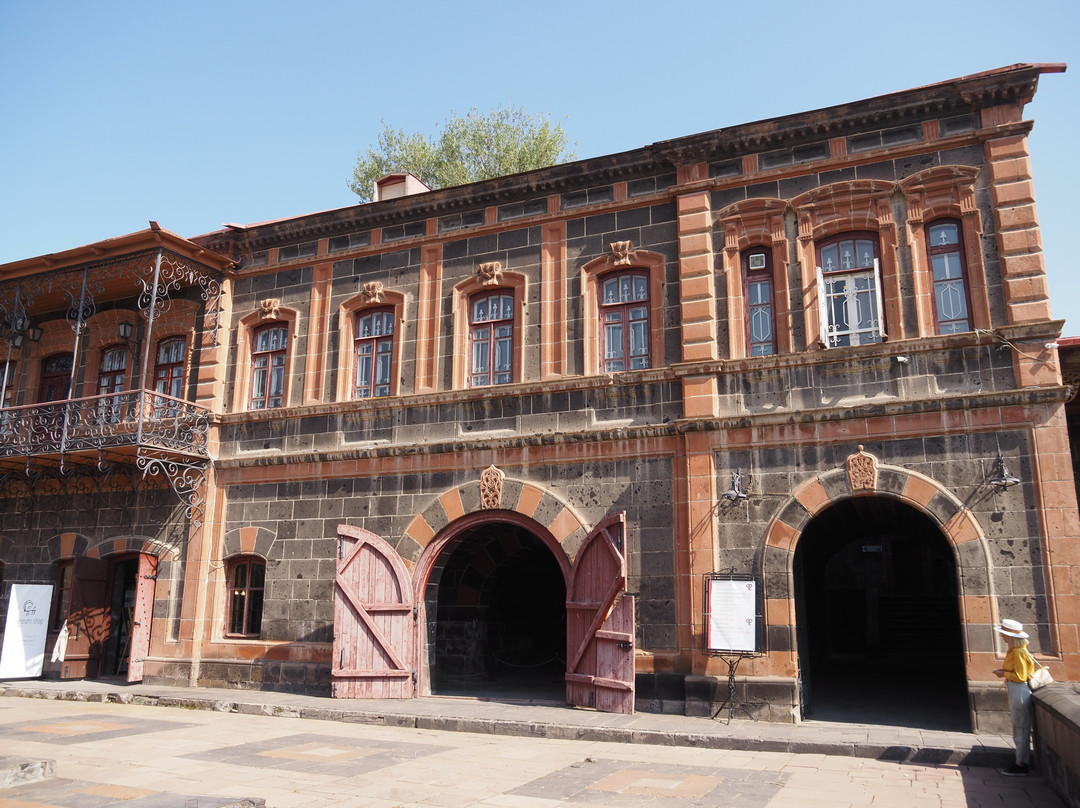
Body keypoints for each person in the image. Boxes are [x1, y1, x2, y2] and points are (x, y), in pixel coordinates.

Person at [993, 618, 1036, 776]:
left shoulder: (1018, 652)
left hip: (1019, 689)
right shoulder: (1017, 651)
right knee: (1019, 726)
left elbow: (1020, 676)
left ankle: (1021, 764)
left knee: (1021, 727)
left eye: (1004, 635)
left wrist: (1002, 673)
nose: (1003, 637)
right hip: (1016, 688)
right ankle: (1020, 761)